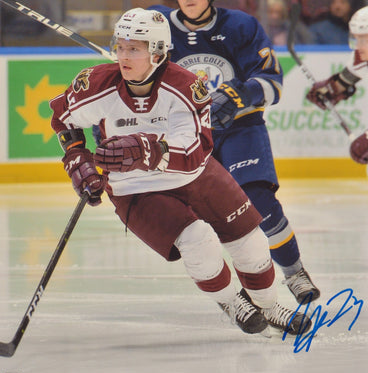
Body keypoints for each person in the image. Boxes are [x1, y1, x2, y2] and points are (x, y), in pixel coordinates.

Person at [50, 8, 311, 336]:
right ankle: (232, 301)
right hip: (133, 187)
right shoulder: (97, 85)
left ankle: (271, 306)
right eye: (120, 47)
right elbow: (64, 119)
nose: (123, 56)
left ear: (158, 52)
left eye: (135, 48)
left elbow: (193, 153)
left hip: (195, 174)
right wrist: (77, 160)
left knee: (252, 241)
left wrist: (146, 149)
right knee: (197, 241)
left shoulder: (187, 86)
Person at [134, 0, 320, 306]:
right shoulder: (158, 23)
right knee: (202, 219)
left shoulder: (240, 26)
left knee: (259, 200)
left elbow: (273, 83)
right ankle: (236, 296)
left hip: (240, 128)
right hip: (189, 135)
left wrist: (238, 95)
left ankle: (294, 271)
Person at [306, 5, 368, 164]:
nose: (359, 46)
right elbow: (343, 82)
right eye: (356, 38)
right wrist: (329, 90)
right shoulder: (361, 57)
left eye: (364, 39)